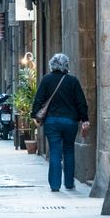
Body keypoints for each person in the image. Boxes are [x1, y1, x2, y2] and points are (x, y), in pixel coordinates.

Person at [32, 53, 90, 192]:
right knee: (69, 150)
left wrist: (34, 115)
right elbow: (81, 102)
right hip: (70, 121)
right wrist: (85, 119)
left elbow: (38, 99)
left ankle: (55, 185)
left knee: (55, 152)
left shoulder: (46, 80)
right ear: (66, 66)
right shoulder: (73, 81)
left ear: (52, 65)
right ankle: (69, 183)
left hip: (52, 122)